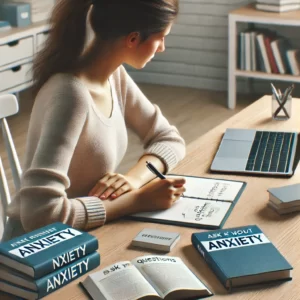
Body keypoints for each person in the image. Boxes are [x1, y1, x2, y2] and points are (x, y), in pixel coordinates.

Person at [4, 0, 186, 240]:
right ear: (132, 39)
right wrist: (136, 201)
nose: (162, 47)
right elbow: (40, 215)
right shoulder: (71, 95)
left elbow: (169, 138)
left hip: (81, 236)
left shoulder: (114, 77)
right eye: (161, 37)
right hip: (36, 252)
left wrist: (133, 180)